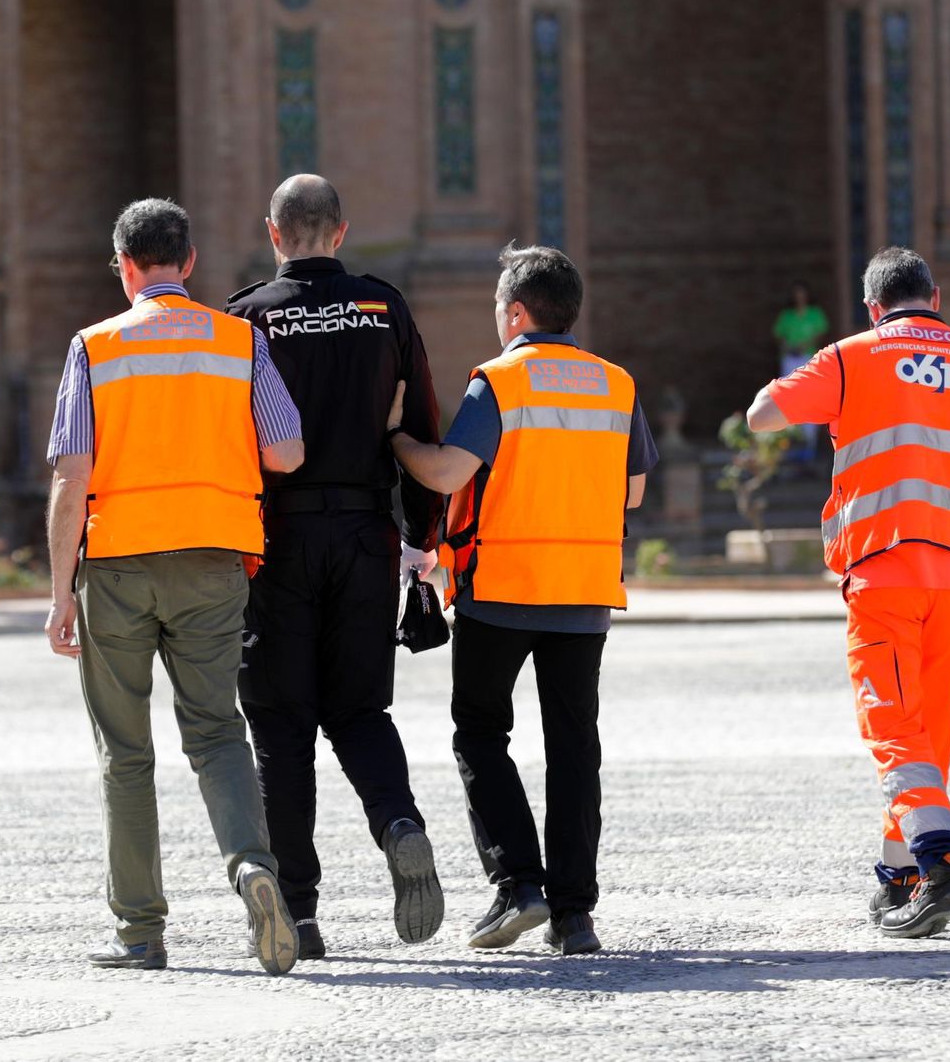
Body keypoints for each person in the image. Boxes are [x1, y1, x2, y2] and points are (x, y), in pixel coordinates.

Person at [43, 198, 307, 976]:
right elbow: (287, 452)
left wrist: (60, 593)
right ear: (188, 262)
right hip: (214, 562)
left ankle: (139, 930)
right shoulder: (239, 340)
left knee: (125, 751)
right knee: (218, 731)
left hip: (119, 566)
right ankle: (252, 867)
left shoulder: (94, 347)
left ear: (125, 266)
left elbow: (70, 479)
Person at [745, 246, 950, 939]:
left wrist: (825, 384)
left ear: (873, 307)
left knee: (893, 728)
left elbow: (761, 415)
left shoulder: (850, 356)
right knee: (928, 731)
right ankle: (900, 874)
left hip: (882, 571)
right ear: (935, 299)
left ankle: (945, 866)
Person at [387, 243, 659, 956]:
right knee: (574, 749)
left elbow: (447, 474)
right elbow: (632, 491)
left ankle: (518, 886)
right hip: (584, 593)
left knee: (481, 733)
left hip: (502, 590)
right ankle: (574, 915)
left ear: (515, 312)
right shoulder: (616, 385)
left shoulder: (501, 381)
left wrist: (398, 440)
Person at [223, 174, 446, 957]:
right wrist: (422, 534)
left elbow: (228, 435)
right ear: (341, 232)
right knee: (360, 711)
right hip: (364, 533)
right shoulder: (384, 306)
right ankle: (399, 822)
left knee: (280, 724)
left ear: (274, 233)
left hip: (277, 536)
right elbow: (422, 423)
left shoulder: (247, 316)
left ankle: (300, 911)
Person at [772, 280, 831, 464]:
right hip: (790, 358)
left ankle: (809, 447)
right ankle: (789, 445)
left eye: (802, 293)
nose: (799, 297)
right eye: (796, 294)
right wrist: (788, 347)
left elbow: (820, 332)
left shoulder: (815, 313)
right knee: (787, 396)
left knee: (810, 398)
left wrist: (804, 345)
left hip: (808, 357)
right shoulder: (787, 315)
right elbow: (779, 335)